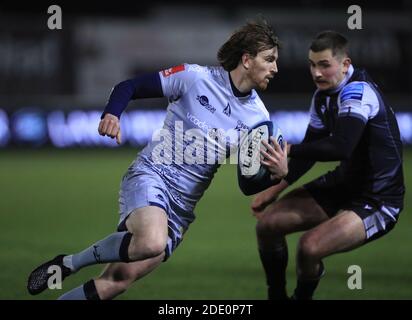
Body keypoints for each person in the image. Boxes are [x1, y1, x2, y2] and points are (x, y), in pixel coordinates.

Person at [27, 20, 288, 300]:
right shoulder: (194, 78)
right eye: (269, 59)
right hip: (152, 176)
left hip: (181, 210)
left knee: (117, 280)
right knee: (151, 241)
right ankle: (70, 263)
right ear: (247, 60)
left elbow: (247, 184)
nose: (275, 68)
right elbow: (128, 86)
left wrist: (276, 173)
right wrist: (112, 114)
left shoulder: (259, 119)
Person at [252, 30, 405, 300]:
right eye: (312, 64)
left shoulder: (358, 92)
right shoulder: (322, 98)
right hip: (344, 184)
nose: (317, 73)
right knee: (267, 225)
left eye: (324, 65)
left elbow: (341, 146)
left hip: (379, 197)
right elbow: (308, 154)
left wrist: (289, 149)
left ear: (345, 64)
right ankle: (276, 295)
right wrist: (271, 191)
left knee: (309, 247)